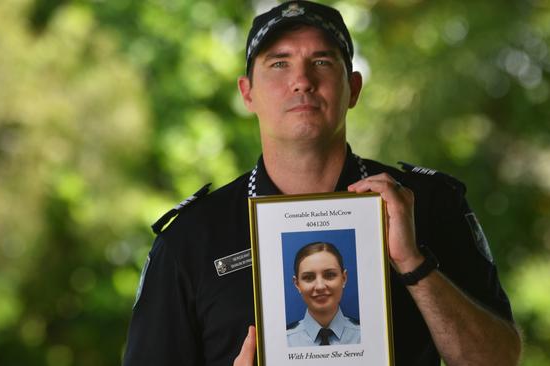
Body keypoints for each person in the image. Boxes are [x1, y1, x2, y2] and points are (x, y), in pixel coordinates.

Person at [122, 1, 522, 365]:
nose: (302, 81)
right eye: (279, 64)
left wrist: (414, 265)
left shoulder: (429, 205)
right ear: (248, 93)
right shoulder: (191, 239)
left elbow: (500, 360)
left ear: (354, 89)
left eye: (322, 62)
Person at [287, 242, 360, 347]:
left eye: (330, 275)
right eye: (308, 277)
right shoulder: (284, 341)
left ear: (344, 278)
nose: (320, 286)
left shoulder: (366, 335)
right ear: (297, 284)